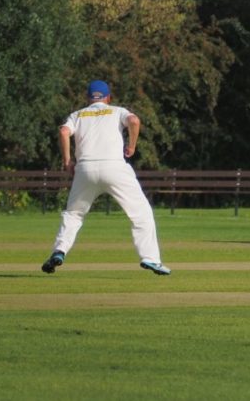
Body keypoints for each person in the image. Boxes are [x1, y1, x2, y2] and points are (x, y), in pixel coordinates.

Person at [41, 80, 170, 275]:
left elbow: (63, 131)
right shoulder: (117, 111)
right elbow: (134, 121)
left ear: (88, 98)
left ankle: (59, 251)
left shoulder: (78, 115)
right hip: (114, 167)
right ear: (108, 97)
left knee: (74, 214)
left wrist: (68, 161)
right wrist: (132, 146)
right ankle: (150, 259)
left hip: (85, 169)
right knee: (141, 213)